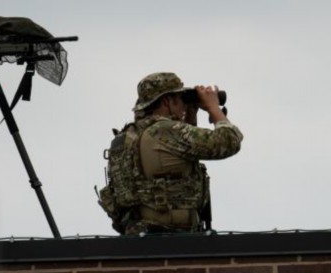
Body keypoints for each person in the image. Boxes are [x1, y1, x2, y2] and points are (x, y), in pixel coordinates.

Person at [98, 72, 243, 235]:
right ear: (167, 101)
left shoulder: (133, 134)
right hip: (171, 236)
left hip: (140, 233)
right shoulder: (164, 130)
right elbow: (228, 141)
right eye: (180, 99)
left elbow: (178, 154)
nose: (183, 105)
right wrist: (213, 108)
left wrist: (190, 114)